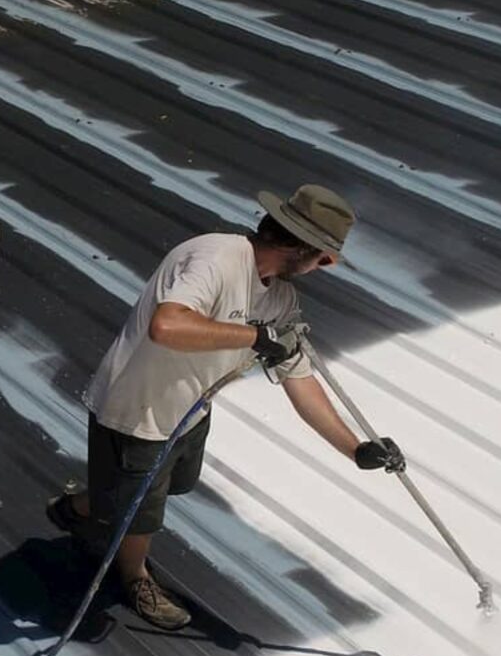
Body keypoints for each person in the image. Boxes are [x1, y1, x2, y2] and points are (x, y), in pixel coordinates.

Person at [48, 184, 406, 630]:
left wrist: (356, 450)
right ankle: (134, 576)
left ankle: (84, 506)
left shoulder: (280, 300)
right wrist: (255, 338)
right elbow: (167, 324)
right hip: (137, 411)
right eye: (325, 258)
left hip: (190, 409)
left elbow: (300, 379)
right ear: (301, 247)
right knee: (140, 512)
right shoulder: (217, 258)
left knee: (161, 488)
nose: (324, 268)